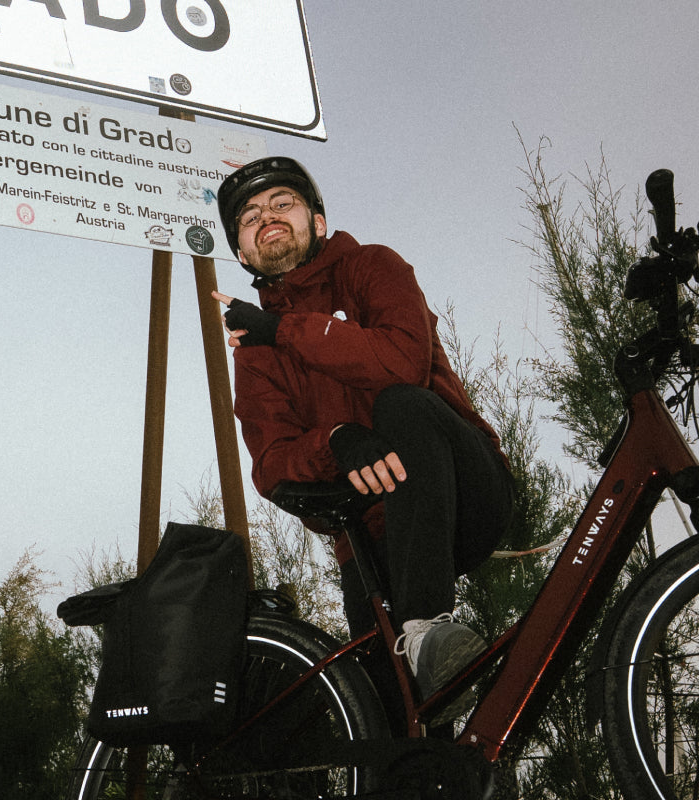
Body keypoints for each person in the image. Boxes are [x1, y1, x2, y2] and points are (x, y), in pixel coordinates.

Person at [211, 156, 514, 720]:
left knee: (401, 402)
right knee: (391, 722)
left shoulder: (373, 266)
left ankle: (424, 627)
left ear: (318, 222)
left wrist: (284, 330)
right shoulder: (255, 353)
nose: (266, 217)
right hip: (369, 538)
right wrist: (336, 441)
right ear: (244, 254)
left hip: (461, 486)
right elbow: (271, 462)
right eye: (249, 217)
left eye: (282, 203)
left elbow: (403, 362)